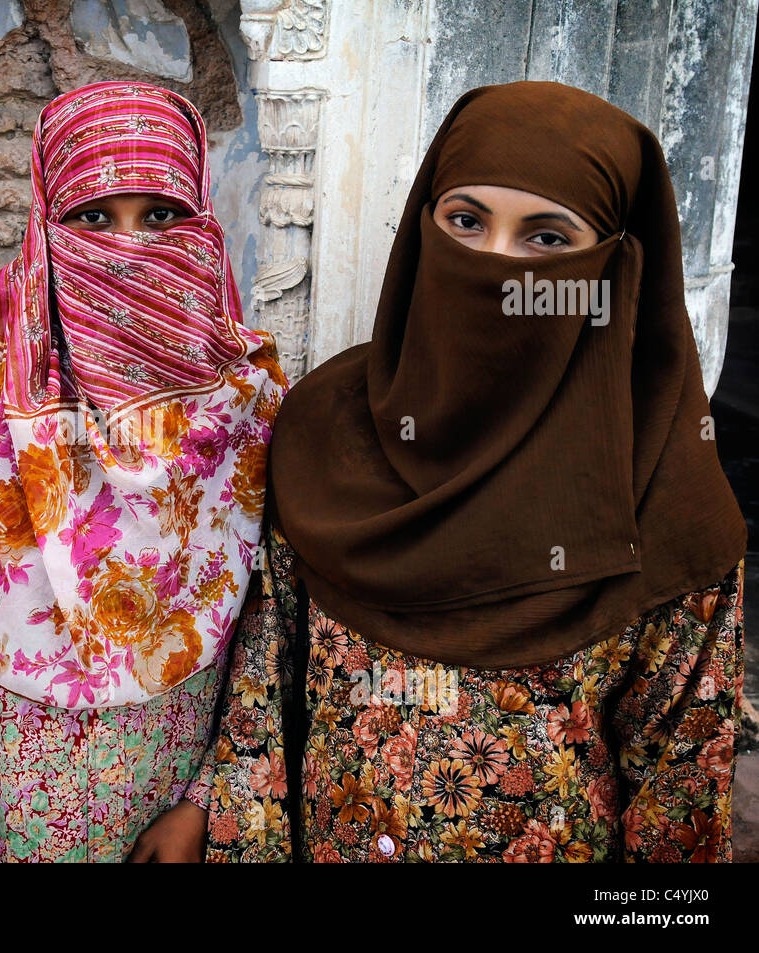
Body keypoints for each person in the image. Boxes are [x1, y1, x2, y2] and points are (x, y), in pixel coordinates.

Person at [164, 81, 747, 862]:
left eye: (545, 239)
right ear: (422, 229)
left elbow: (679, 807)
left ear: (611, 272)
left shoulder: (666, 498)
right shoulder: (329, 435)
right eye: (466, 221)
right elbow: (265, 697)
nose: (494, 264)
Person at [0, 81, 287, 862]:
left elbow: (272, 639)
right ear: (45, 226)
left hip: (177, 820)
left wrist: (208, 802)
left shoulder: (249, 402)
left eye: (160, 217)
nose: (127, 248)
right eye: (92, 218)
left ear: (201, 221)